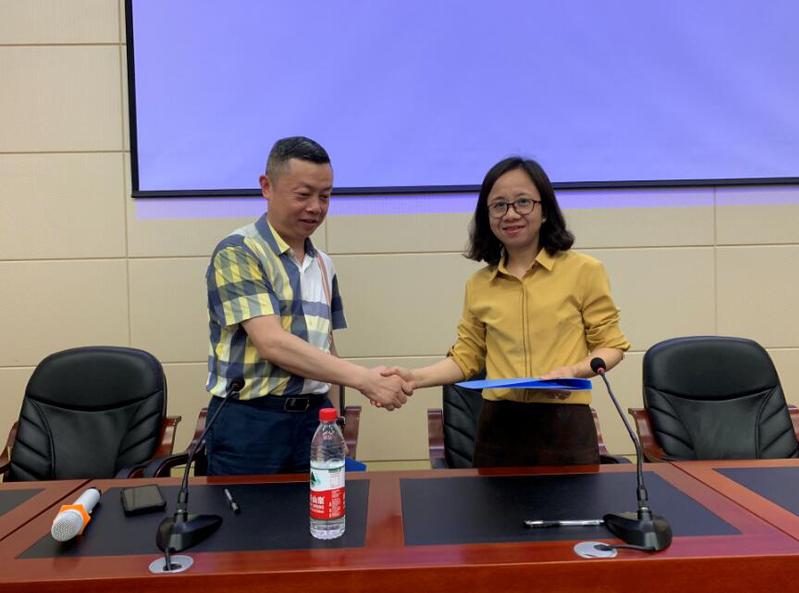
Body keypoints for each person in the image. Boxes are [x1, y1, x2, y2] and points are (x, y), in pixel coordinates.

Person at [384, 156, 630, 467]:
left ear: (544, 210)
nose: (511, 214)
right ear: (487, 216)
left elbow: (611, 346)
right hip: (499, 428)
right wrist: (415, 378)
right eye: (499, 205)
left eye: (523, 202)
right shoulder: (479, 284)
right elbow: (466, 358)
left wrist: (574, 371)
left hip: (565, 423)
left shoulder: (584, 271)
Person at [205, 136, 412, 475]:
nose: (316, 207)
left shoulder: (323, 264)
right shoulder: (239, 252)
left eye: (325, 196)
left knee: (328, 507)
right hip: (252, 423)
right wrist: (365, 379)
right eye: (303, 195)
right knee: (249, 512)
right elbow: (272, 343)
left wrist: (336, 424)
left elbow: (327, 350)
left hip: (315, 421)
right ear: (267, 186)